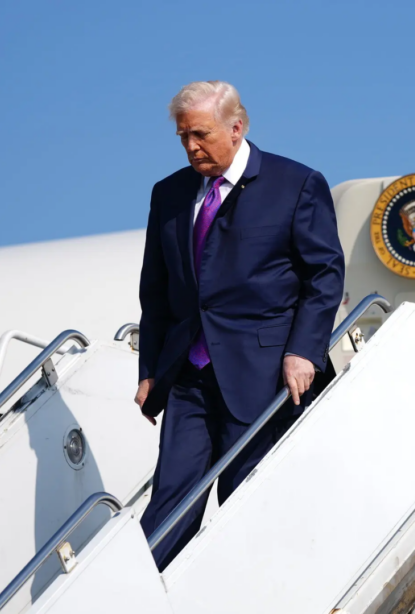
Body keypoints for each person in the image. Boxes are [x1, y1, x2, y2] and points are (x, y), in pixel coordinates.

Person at [134, 80, 345, 571]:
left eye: (201, 134)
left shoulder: (295, 184)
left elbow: (324, 275)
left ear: (236, 127)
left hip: (263, 373)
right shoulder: (169, 194)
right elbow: (156, 292)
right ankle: (140, 594)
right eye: (184, 136)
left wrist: (304, 351)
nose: (192, 146)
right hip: (188, 375)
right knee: (170, 500)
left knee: (245, 496)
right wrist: (150, 370)